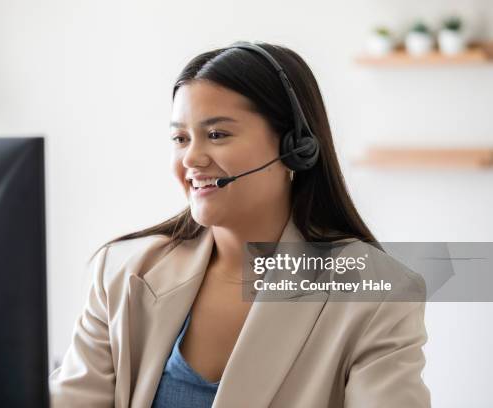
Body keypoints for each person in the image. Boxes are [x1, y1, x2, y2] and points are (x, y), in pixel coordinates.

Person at [49, 41, 430, 407]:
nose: (192, 158)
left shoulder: (377, 292)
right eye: (180, 138)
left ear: (294, 148)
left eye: (217, 135)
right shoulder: (121, 273)